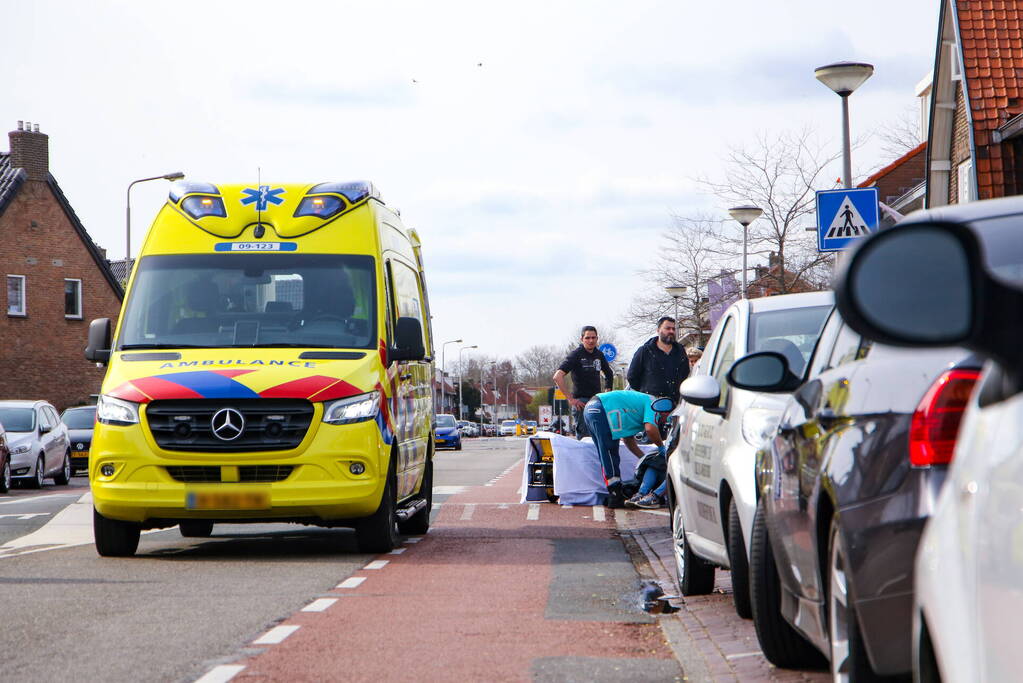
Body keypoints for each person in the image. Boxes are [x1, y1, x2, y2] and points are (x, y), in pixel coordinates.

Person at [582, 390, 673, 508]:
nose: (663, 423)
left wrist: (643, 458)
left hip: (593, 408)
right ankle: (615, 494)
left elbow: (628, 439)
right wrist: (661, 447)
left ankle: (615, 492)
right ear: (665, 412)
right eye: (666, 419)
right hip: (602, 409)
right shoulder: (654, 405)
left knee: (605, 453)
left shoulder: (636, 408)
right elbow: (650, 429)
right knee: (610, 453)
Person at [553, 326, 614, 439]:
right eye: (587, 338)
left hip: (597, 401)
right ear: (582, 339)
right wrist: (570, 399)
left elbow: (609, 374)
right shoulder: (576, 355)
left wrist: (607, 395)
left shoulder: (599, 354)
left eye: (593, 338)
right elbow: (557, 376)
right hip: (581, 402)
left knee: (600, 436)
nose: (591, 340)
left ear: (597, 339)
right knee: (584, 438)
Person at [627, 316, 690, 404]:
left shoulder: (680, 352)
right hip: (651, 404)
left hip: (675, 404)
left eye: (673, 329)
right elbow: (632, 377)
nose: (671, 331)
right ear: (658, 330)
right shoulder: (644, 351)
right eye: (667, 328)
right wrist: (646, 394)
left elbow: (685, 374)